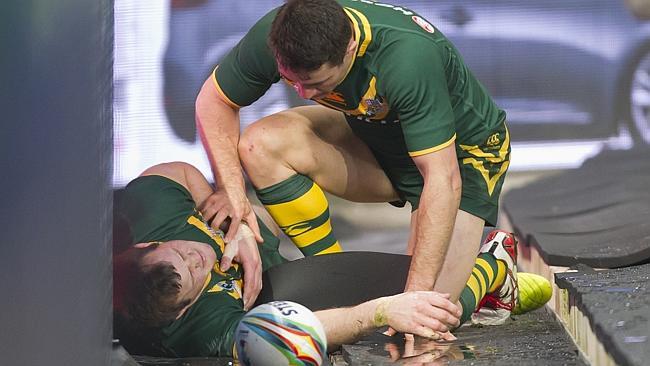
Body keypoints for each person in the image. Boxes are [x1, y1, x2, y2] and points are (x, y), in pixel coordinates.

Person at [195, 0, 516, 324]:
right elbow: (213, 101)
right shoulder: (281, 33)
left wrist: (411, 302)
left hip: (460, 158)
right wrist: (232, 191)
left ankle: (493, 264)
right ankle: (338, 276)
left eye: (318, 84)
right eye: (293, 82)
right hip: (378, 141)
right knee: (259, 145)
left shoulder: (406, 57)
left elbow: (442, 179)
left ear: (350, 48)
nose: (304, 93)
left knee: (432, 315)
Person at [113, 162, 549, 358]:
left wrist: (232, 209)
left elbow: (178, 173)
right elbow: (295, 334)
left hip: (269, 251)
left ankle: (481, 277)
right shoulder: (196, 331)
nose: (200, 261)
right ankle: (494, 269)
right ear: (186, 309)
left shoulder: (146, 211)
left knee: (259, 148)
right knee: (421, 309)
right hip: (279, 290)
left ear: (148, 245)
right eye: (197, 277)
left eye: (186, 255)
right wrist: (379, 310)